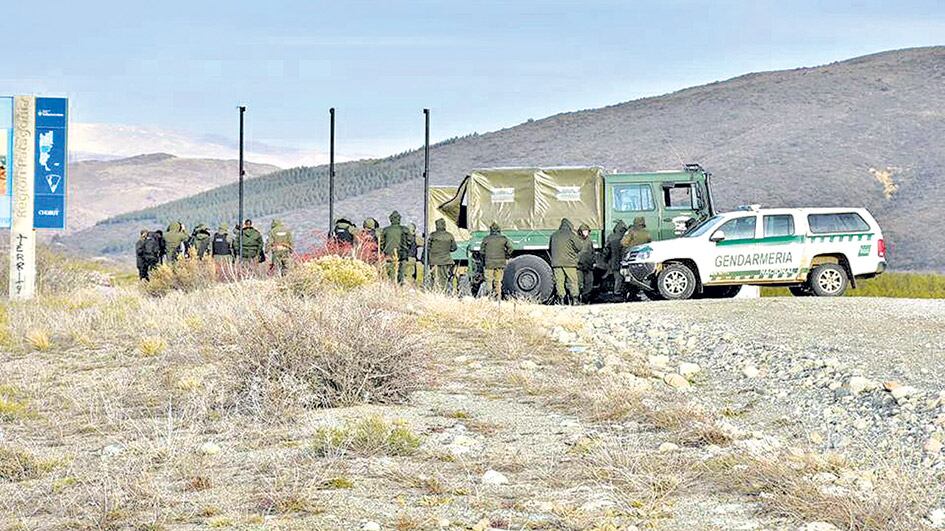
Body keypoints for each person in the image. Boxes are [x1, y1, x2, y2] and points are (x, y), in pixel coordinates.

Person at [549, 218, 582, 304]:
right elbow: (579, 247)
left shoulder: (554, 235)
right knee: (573, 281)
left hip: (557, 263)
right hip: (569, 263)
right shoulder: (571, 235)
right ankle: (575, 300)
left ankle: (561, 300)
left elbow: (550, 248)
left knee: (559, 282)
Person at [479, 222, 513, 298]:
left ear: (491, 230)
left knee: (489, 281)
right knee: (498, 281)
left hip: (489, 264)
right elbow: (511, 248)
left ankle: (489, 296)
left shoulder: (486, 239)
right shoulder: (503, 239)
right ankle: (498, 297)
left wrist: (485, 258)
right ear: (499, 230)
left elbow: (481, 251)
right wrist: (506, 256)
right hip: (500, 263)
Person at [426, 218, 457, 292]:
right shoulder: (449, 235)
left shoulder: (432, 235)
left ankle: (435, 291)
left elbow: (428, 247)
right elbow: (454, 248)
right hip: (446, 260)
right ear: (444, 225)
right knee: (444, 277)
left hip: (434, 260)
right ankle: (444, 291)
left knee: (434, 277)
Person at [379, 211, 410, 283]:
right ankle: (400, 288)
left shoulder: (385, 230)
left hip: (389, 255)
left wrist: (384, 250)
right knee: (401, 275)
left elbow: (381, 243)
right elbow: (410, 241)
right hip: (402, 255)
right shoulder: (404, 229)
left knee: (391, 275)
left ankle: (392, 287)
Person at [604, 220, 628, 295]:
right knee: (624, 278)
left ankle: (617, 291)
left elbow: (606, 250)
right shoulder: (625, 237)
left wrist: (605, 259)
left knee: (617, 277)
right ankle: (619, 291)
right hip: (624, 260)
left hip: (614, 261)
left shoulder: (611, 237)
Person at [576, 223, 596, 302]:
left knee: (589, 283)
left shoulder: (589, 241)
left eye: (587, 231)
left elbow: (592, 252)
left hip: (588, 265)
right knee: (579, 283)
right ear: (580, 232)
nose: (586, 233)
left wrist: (593, 261)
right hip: (579, 266)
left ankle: (585, 298)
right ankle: (578, 298)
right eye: (584, 231)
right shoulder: (576, 240)